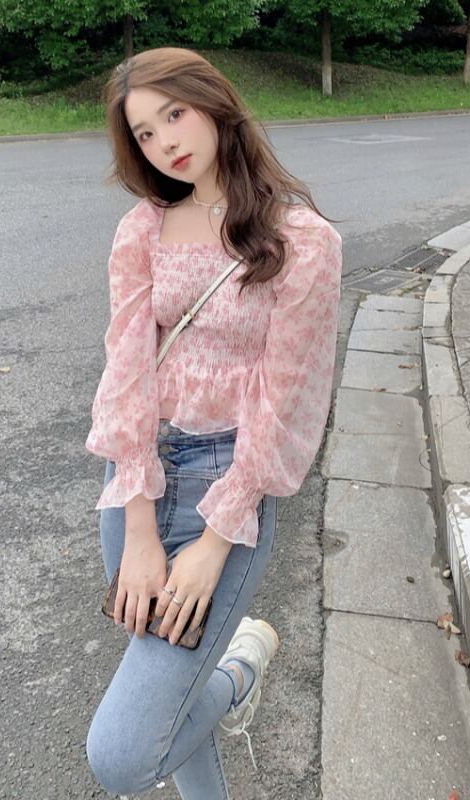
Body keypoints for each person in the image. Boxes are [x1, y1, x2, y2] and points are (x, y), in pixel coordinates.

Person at [83, 47, 343, 798]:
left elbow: (289, 397)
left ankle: (238, 672)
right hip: (137, 476)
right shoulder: (143, 229)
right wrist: (137, 522)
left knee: (125, 754)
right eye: (144, 133)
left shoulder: (303, 240)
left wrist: (216, 538)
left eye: (174, 113)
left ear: (214, 103)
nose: (165, 141)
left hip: (226, 481)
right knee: (169, 700)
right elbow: (127, 368)